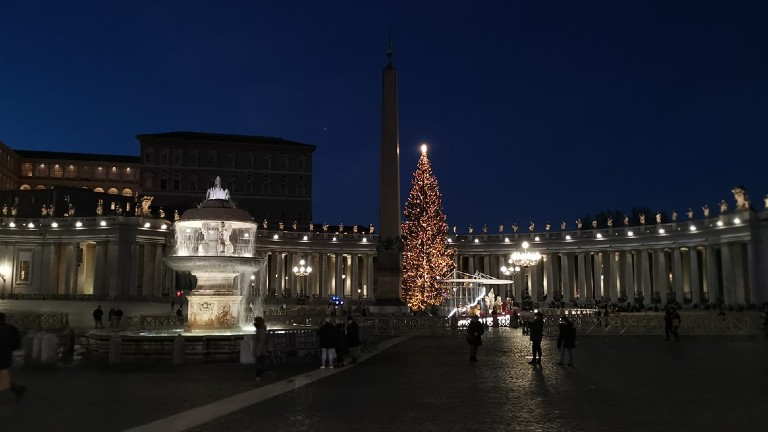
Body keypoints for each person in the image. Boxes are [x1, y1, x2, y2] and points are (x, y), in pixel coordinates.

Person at [0, 312, 25, 399]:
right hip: (6, 358)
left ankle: (16, 388)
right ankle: (17, 388)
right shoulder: (10, 329)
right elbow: (16, 345)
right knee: (3, 379)